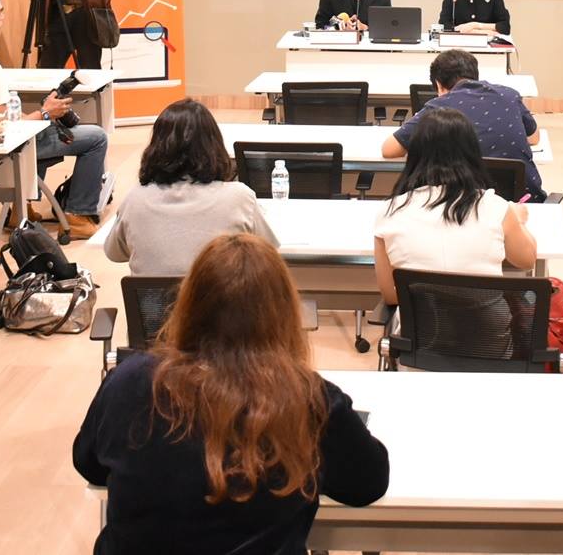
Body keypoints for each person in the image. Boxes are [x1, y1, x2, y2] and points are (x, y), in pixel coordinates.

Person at [74, 233, 389, 555]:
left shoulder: (128, 381)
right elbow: (368, 484)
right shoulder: (309, 399)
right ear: (284, 314)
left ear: (189, 304)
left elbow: (89, 464)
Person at [0, 0, 112, 237]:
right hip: (4, 151)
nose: (3, 16)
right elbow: (5, 129)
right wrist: (45, 113)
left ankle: (20, 209)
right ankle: (77, 215)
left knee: (39, 122)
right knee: (96, 137)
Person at [373, 107, 537, 307]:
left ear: (414, 154)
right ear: (472, 153)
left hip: (421, 327)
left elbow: (390, 296)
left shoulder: (389, 212)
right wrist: (517, 220)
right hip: (488, 327)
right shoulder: (495, 208)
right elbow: (527, 261)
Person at [102, 100, 278, 276]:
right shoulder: (239, 198)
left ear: (156, 147)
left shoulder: (136, 199)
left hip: (155, 296)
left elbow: (114, 253)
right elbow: (269, 248)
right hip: (218, 295)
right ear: (214, 145)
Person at [381, 49, 545, 201]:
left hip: (463, 206)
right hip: (523, 201)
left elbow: (389, 150)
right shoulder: (509, 95)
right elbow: (534, 137)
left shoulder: (438, 107)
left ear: (439, 85)